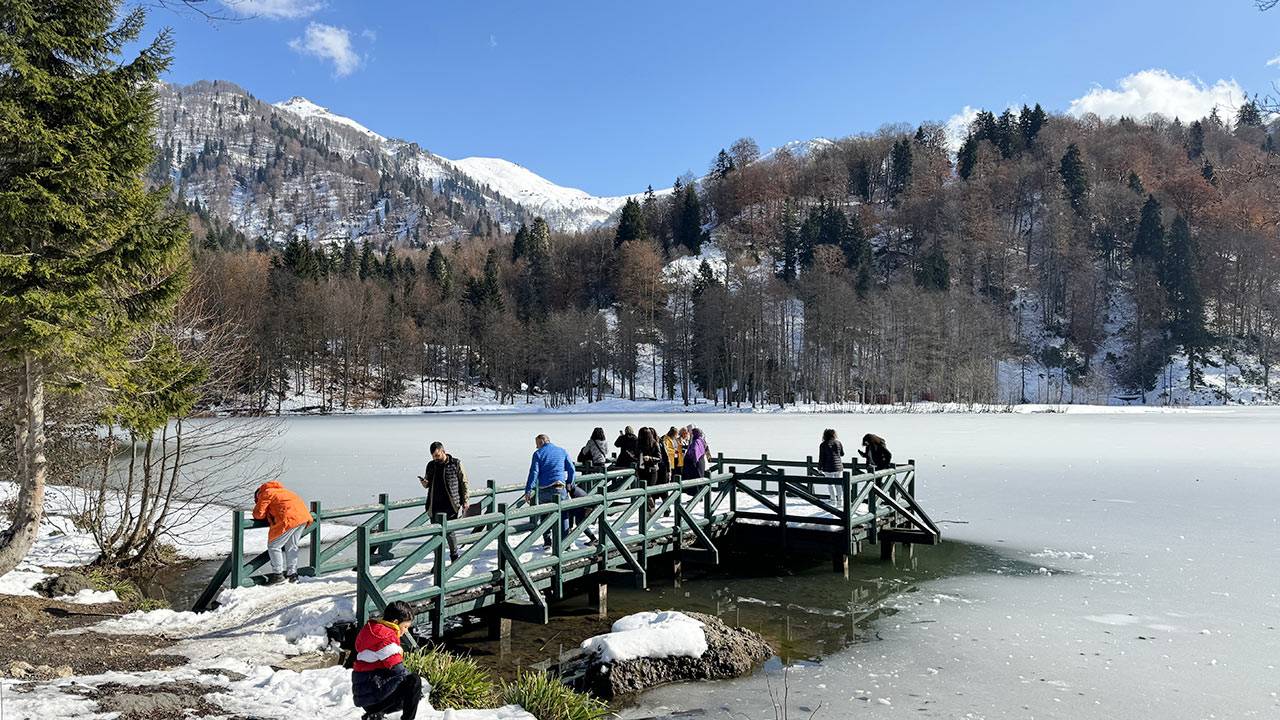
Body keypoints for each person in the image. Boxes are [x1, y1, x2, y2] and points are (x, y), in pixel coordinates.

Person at [351, 600, 422, 720]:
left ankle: (374, 714)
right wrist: (415, 691)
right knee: (414, 681)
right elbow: (399, 670)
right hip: (375, 697)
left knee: (410, 688)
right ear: (395, 622)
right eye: (405, 627)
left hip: (364, 697)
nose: (405, 631)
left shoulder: (373, 631)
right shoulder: (386, 637)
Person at [252, 480, 314, 585]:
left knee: (274, 546)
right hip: (303, 518)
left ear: (258, 495)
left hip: (289, 519)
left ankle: (278, 575)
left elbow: (258, 514)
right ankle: (292, 574)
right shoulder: (284, 491)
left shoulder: (266, 493)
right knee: (292, 546)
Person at [418, 441, 468, 563]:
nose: (436, 458)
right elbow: (427, 483)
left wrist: (465, 500)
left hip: (451, 505)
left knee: (449, 532)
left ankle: (454, 557)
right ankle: (437, 563)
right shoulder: (431, 465)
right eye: (434, 456)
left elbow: (464, 482)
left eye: (437, 455)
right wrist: (424, 483)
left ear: (443, 451)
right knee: (436, 534)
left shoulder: (456, 463)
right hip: (434, 505)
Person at [525, 434, 575, 546]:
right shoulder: (562, 451)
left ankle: (547, 541)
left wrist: (528, 490)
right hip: (559, 487)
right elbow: (571, 469)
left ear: (542, 441)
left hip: (544, 488)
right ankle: (564, 543)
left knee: (544, 514)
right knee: (563, 514)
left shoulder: (538, 454)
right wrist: (570, 483)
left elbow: (534, 473)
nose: (537, 447)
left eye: (537, 444)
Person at [818, 429, 846, 505]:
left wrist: (819, 467)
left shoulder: (823, 444)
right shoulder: (838, 443)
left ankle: (833, 499)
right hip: (839, 467)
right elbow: (842, 454)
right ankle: (840, 499)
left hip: (828, 467)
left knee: (830, 484)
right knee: (838, 484)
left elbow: (821, 457)